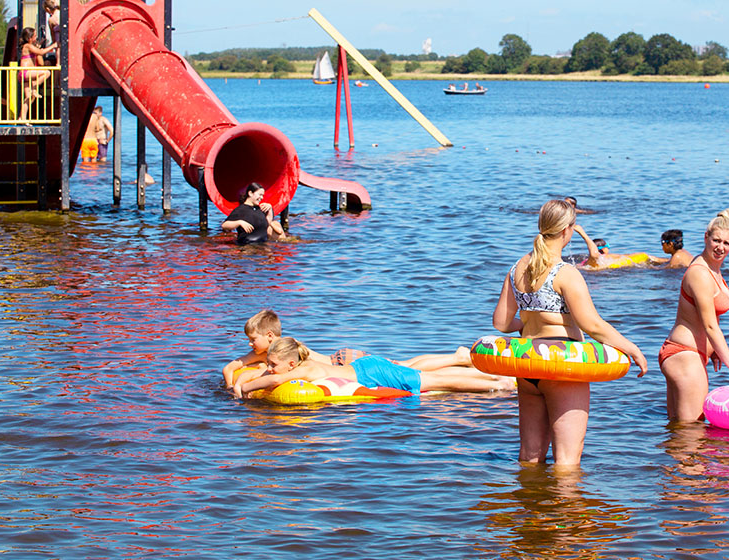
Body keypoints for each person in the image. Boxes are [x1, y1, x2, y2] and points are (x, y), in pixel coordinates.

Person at [491, 199, 648, 466]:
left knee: (529, 456)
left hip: (528, 365)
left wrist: (527, 326)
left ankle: (528, 493)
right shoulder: (566, 273)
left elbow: (501, 323)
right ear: (567, 230)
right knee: (567, 461)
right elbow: (592, 324)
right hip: (561, 366)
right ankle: (564, 496)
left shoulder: (517, 268)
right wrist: (631, 348)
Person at [222, 309, 476, 389]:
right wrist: (233, 382)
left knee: (404, 366)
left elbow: (264, 372)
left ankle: (457, 358)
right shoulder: (272, 350)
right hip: (347, 362)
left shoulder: (282, 348)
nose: (250, 345)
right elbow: (234, 366)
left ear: (269, 336)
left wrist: (240, 386)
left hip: (344, 362)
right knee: (405, 366)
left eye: (253, 340)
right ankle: (458, 360)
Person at [660, 209, 729, 422]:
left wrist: (713, 349)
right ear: (705, 237)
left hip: (686, 354)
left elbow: (707, 316)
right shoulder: (700, 273)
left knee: (679, 432)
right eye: (716, 240)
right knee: (693, 431)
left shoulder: (711, 268)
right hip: (685, 356)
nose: (720, 247)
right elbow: (710, 326)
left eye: (726, 243)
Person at [233, 337, 511, 399]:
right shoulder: (300, 364)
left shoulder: (302, 370)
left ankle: (499, 383)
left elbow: (271, 381)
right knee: (427, 376)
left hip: (372, 373)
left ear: (291, 364)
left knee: (435, 382)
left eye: (274, 364)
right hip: (365, 367)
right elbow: (269, 376)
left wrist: (243, 388)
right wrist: (253, 376)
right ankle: (490, 376)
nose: (270, 369)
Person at [219, 182, 286, 244]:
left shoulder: (260, 209)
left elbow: (268, 222)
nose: (261, 198)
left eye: (262, 195)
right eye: (260, 195)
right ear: (250, 193)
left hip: (263, 245)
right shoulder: (240, 210)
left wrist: (270, 208)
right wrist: (239, 222)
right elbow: (224, 225)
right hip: (247, 245)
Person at [573, 226, 647, 270]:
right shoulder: (606, 257)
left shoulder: (585, 261)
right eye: (607, 246)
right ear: (603, 249)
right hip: (598, 269)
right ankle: (583, 233)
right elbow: (626, 257)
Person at [18, 26, 57, 105]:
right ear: (30, 38)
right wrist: (53, 46)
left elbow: (40, 59)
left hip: (26, 74)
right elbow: (41, 52)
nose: (36, 38)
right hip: (26, 72)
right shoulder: (28, 46)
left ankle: (22, 114)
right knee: (47, 73)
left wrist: (38, 48)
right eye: (35, 36)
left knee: (29, 99)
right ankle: (34, 86)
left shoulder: (30, 46)